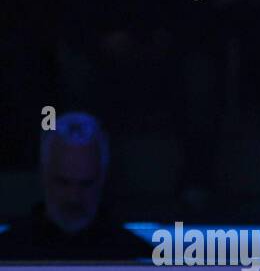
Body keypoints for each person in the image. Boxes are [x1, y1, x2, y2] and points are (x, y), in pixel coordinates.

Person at [0, 112, 153, 261]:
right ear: (43, 175)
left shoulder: (137, 257)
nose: (74, 197)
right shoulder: (7, 253)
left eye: (86, 184)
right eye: (63, 183)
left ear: (102, 178)